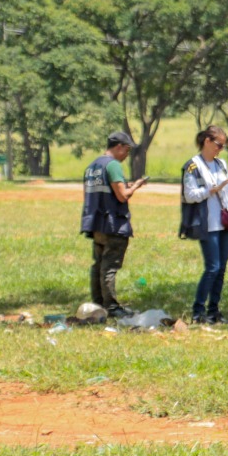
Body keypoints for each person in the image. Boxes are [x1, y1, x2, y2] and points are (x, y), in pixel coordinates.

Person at [181, 124, 228, 324]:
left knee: (221, 269)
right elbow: (189, 196)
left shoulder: (221, 164)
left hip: (224, 223)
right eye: (218, 144)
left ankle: (213, 311)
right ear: (207, 141)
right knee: (212, 267)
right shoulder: (193, 166)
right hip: (208, 223)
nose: (220, 149)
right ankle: (198, 311)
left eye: (223, 145)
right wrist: (212, 190)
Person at [80, 131, 149, 318]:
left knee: (98, 264)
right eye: (126, 150)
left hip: (96, 223)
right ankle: (111, 307)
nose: (127, 155)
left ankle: (97, 304)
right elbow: (122, 195)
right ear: (118, 146)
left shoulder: (92, 166)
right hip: (113, 224)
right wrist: (136, 186)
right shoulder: (113, 165)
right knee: (109, 266)